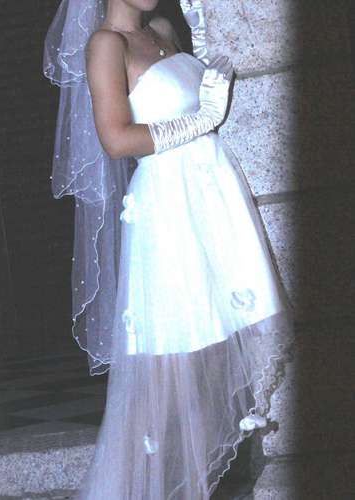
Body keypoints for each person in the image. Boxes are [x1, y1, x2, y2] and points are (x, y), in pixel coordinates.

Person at [44, 1, 296, 498]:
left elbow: (185, 89)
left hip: (212, 193)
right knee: (181, 353)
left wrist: (202, 42)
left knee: (223, 339)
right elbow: (116, 139)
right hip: (169, 207)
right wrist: (204, 119)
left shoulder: (162, 27)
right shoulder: (106, 45)